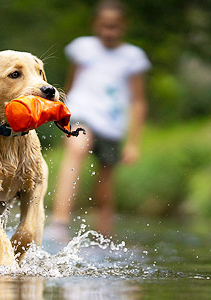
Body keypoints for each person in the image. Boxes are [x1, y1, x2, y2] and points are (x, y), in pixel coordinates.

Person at [46, 0, 151, 241]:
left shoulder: (133, 57)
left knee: (105, 186)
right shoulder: (83, 49)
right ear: (95, 25)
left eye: (114, 27)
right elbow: (70, 84)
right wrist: (62, 117)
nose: (108, 32)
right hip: (82, 113)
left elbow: (138, 101)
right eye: (104, 26)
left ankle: (104, 237)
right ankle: (59, 223)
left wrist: (133, 143)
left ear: (124, 26)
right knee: (77, 149)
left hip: (112, 125)